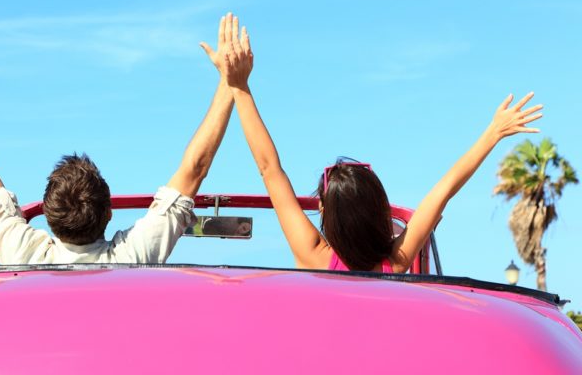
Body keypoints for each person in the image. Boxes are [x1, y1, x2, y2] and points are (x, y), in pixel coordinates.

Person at [218, 14, 544, 273]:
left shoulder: (313, 255)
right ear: (378, 211)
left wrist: (239, 87)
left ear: (325, 213)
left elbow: (269, 169)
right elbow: (444, 189)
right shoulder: (395, 261)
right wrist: (493, 133)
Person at [0, 18, 236, 264]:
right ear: (108, 213)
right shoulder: (130, 257)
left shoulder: (24, 256)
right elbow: (195, 168)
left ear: (49, 218)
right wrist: (231, 82)